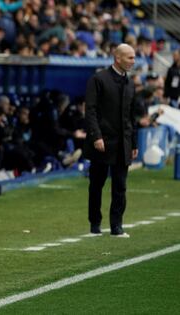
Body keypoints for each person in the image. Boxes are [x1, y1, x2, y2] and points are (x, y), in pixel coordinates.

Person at [84, 43, 138, 238]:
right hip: (102, 142)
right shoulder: (98, 79)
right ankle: (95, 224)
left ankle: (117, 226)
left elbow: (132, 116)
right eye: (130, 57)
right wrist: (96, 136)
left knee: (120, 186)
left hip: (123, 144)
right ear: (118, 58)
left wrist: (134, 143)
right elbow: (90, 110)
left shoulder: (130, 83)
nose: (134, 61)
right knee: (96, 184)